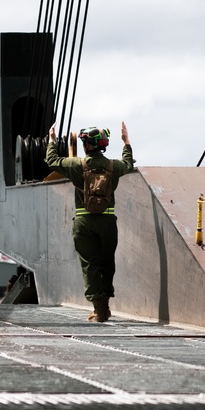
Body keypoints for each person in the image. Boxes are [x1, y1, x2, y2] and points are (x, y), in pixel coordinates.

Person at [45, 121, 134, 323]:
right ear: (103, 145)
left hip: (84, 222)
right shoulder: (114, 166)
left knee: (90, 265)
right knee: (107, 262)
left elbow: (52, 161)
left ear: (87, 146)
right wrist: (126, 142)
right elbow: (128, 164)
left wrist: (51, 140)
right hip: (108, 221)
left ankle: (99, 309)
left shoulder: (77, 166)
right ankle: (106, 306)